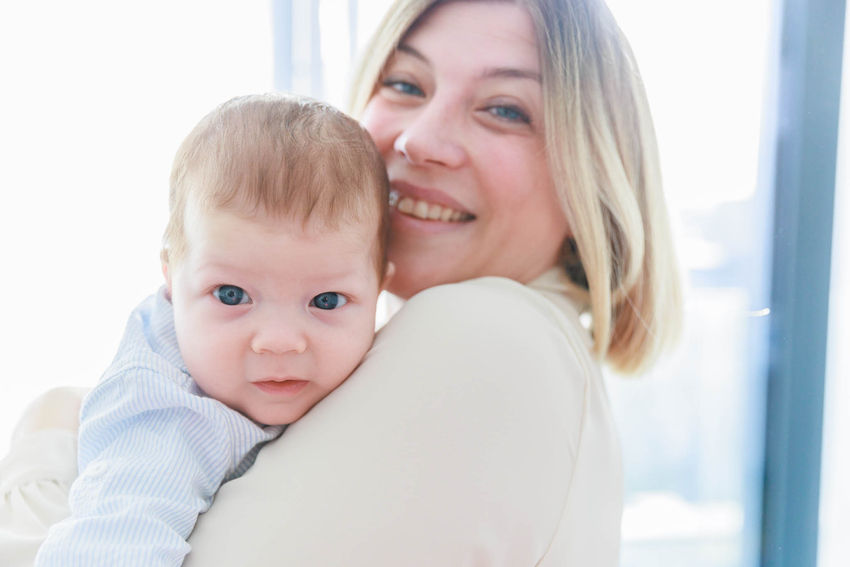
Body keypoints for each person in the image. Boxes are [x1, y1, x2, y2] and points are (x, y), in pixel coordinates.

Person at [0, 0, 682, 565]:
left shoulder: (485, 336)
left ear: (593, 171)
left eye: (505, 109)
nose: (419, 140)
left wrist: (50, 436)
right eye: (406, 84)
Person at [27, 93, 391, 566]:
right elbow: (108, 542)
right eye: (232, 296)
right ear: (171, 280)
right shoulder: (170, 419)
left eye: (326, 301)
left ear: (380, 289)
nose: (278, 341)